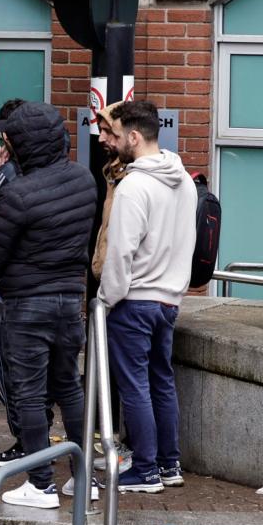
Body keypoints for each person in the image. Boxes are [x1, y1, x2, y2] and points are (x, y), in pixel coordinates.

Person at [0, 102, 97, 508]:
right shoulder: (85, 180)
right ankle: (84, 478)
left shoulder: (18, 194)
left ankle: (41, 483)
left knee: (29, 394)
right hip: (69, 302)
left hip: (27, 305)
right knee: (69, 387)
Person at [100, 100, 196, 494]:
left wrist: (106, 298)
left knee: (135, 385)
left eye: (117, 135)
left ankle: (145, 470)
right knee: (161, 381)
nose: (113, 141)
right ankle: (169, 464)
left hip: (135, 299)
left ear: (134, 137)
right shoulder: (185, 180)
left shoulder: (134, 185)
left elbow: (121, 251)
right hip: (169, 300)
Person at [88, 102, 135, 476]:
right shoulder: (114, 173)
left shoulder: (135, 179)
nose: (101, 138)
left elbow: (125, 242)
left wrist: (110, 289)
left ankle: (132, 451)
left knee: (130, 379)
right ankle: (120, 444)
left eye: (109, 132)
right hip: (109, 281)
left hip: (126, 290)